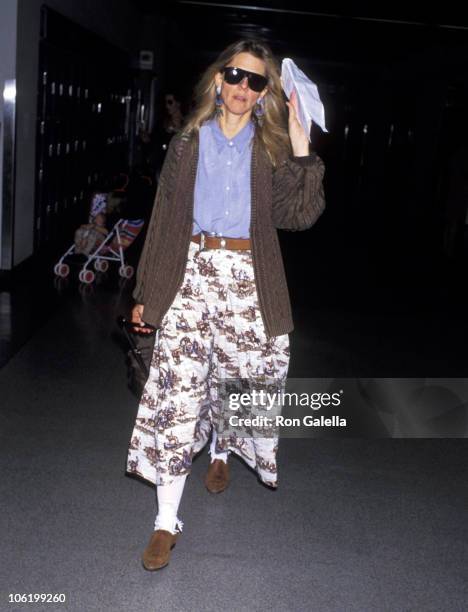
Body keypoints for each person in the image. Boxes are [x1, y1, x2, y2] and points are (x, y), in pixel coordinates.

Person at [126, 38, 326, 571]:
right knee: (175, 392)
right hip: (190, 273)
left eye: (256, 81)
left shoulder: (271, 149)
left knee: (244, 382)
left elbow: (299, 216)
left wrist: (302, 145)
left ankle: (221, 445)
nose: (242, 87)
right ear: (218, 81)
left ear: (264, 94)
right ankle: (166, 522)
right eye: (235, 76)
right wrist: (147, 295)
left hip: (247, 280)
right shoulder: (188, 143)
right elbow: (164, 220)